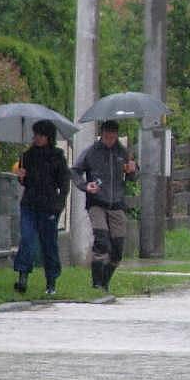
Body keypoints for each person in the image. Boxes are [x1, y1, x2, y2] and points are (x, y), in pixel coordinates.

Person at [71, 120, 137, 291]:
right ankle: (96, 284)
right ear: (102, 135)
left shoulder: (122, 152)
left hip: (117, 203)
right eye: (107, 137)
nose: (110, 140)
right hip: (97, 203)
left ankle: (105, 282)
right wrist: (86, 186)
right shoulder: (91, 152)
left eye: (113, 137)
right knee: (102, 241)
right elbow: (75, 171)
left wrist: (132, 171)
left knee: (118, 247)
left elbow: (132, 178)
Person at [13, 119, 70, 295]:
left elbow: (64, 183)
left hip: (49, 207)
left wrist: (58, 205)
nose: (37, 138)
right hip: (29, 204)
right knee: (27, 239)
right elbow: (24, 182)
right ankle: (22, 277)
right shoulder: (27, 156)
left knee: (49, 245)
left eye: (41, 135)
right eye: (35, 134)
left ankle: (51, 281)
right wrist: (21, 176)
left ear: (48, 137)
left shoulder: (57, 156)